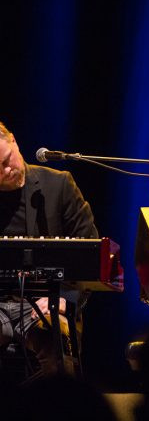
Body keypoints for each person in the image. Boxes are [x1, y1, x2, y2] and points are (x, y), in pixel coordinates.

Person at [0, 121, 98, 377]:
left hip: (46, 304)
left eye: (7, 159)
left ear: (13, 141)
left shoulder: (59, 185)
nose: (7, 169)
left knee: (59, 359)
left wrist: (63, 299)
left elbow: (91, 255)